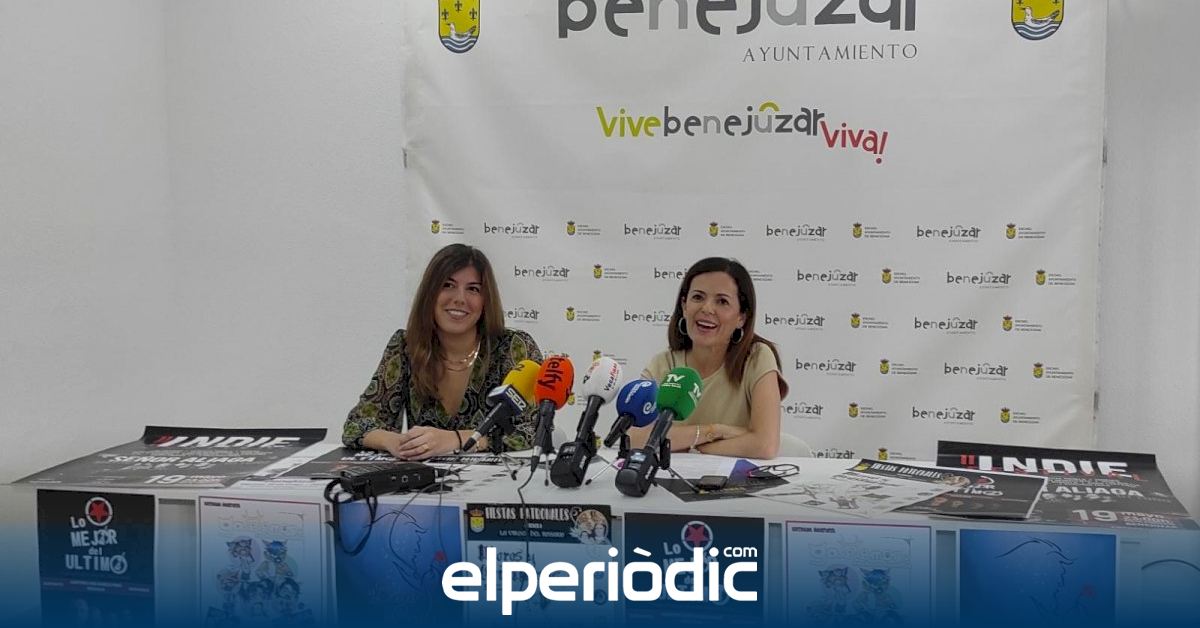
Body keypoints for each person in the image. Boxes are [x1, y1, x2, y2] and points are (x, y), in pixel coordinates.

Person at [341, 244, 542, 459]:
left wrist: (456, 439)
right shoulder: (405, 345)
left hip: (499, 479)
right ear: (430, 293)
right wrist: (396, 442)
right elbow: (356, 425)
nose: (460, 298)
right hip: (425, 478)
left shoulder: (514, 347)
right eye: (448, 285)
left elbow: (532, 429)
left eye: (473, 289)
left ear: (486, 300)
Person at [634, 257, 789, 459]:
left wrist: (690, 448)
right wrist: (714, 431)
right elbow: (634, 438)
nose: (707, 308)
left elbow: (764, 445)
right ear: (684, 306)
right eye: (698, 297)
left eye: (722, 301)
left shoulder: (757, 357)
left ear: (741, 317)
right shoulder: (662, 364)